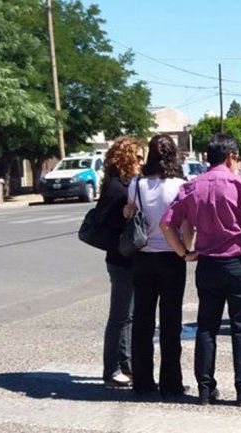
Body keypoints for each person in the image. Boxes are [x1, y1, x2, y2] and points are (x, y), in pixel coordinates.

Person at [161, 134, 241, 407]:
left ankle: (204, 389)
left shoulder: (191, 187)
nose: (238, 163)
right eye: (237, 158)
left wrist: (184, 253)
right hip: (239, 264)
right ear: (230, 157)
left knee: (206, 327)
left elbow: (167, 224)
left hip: (208, 265)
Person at [123, 134, 192, 398]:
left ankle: (142, 380)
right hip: (171, 257)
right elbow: (185, 224)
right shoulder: (180, 186)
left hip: (142, 257)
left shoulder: (136, 184)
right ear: (173, 155)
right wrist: (187, 250)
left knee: (142, 320)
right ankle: (171, 382)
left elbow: (129, 213)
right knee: (171, 321)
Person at [95, 136, 142, 388]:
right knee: (119, 316)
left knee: (129, 316)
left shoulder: (128, 184)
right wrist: (123, 216)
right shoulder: (116, 187)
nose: (141, 162)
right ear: (126, 158)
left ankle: (127, 365)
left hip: (127, 257)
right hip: (119, 258)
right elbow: (103, 222)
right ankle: (111, 370)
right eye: (138, 157)